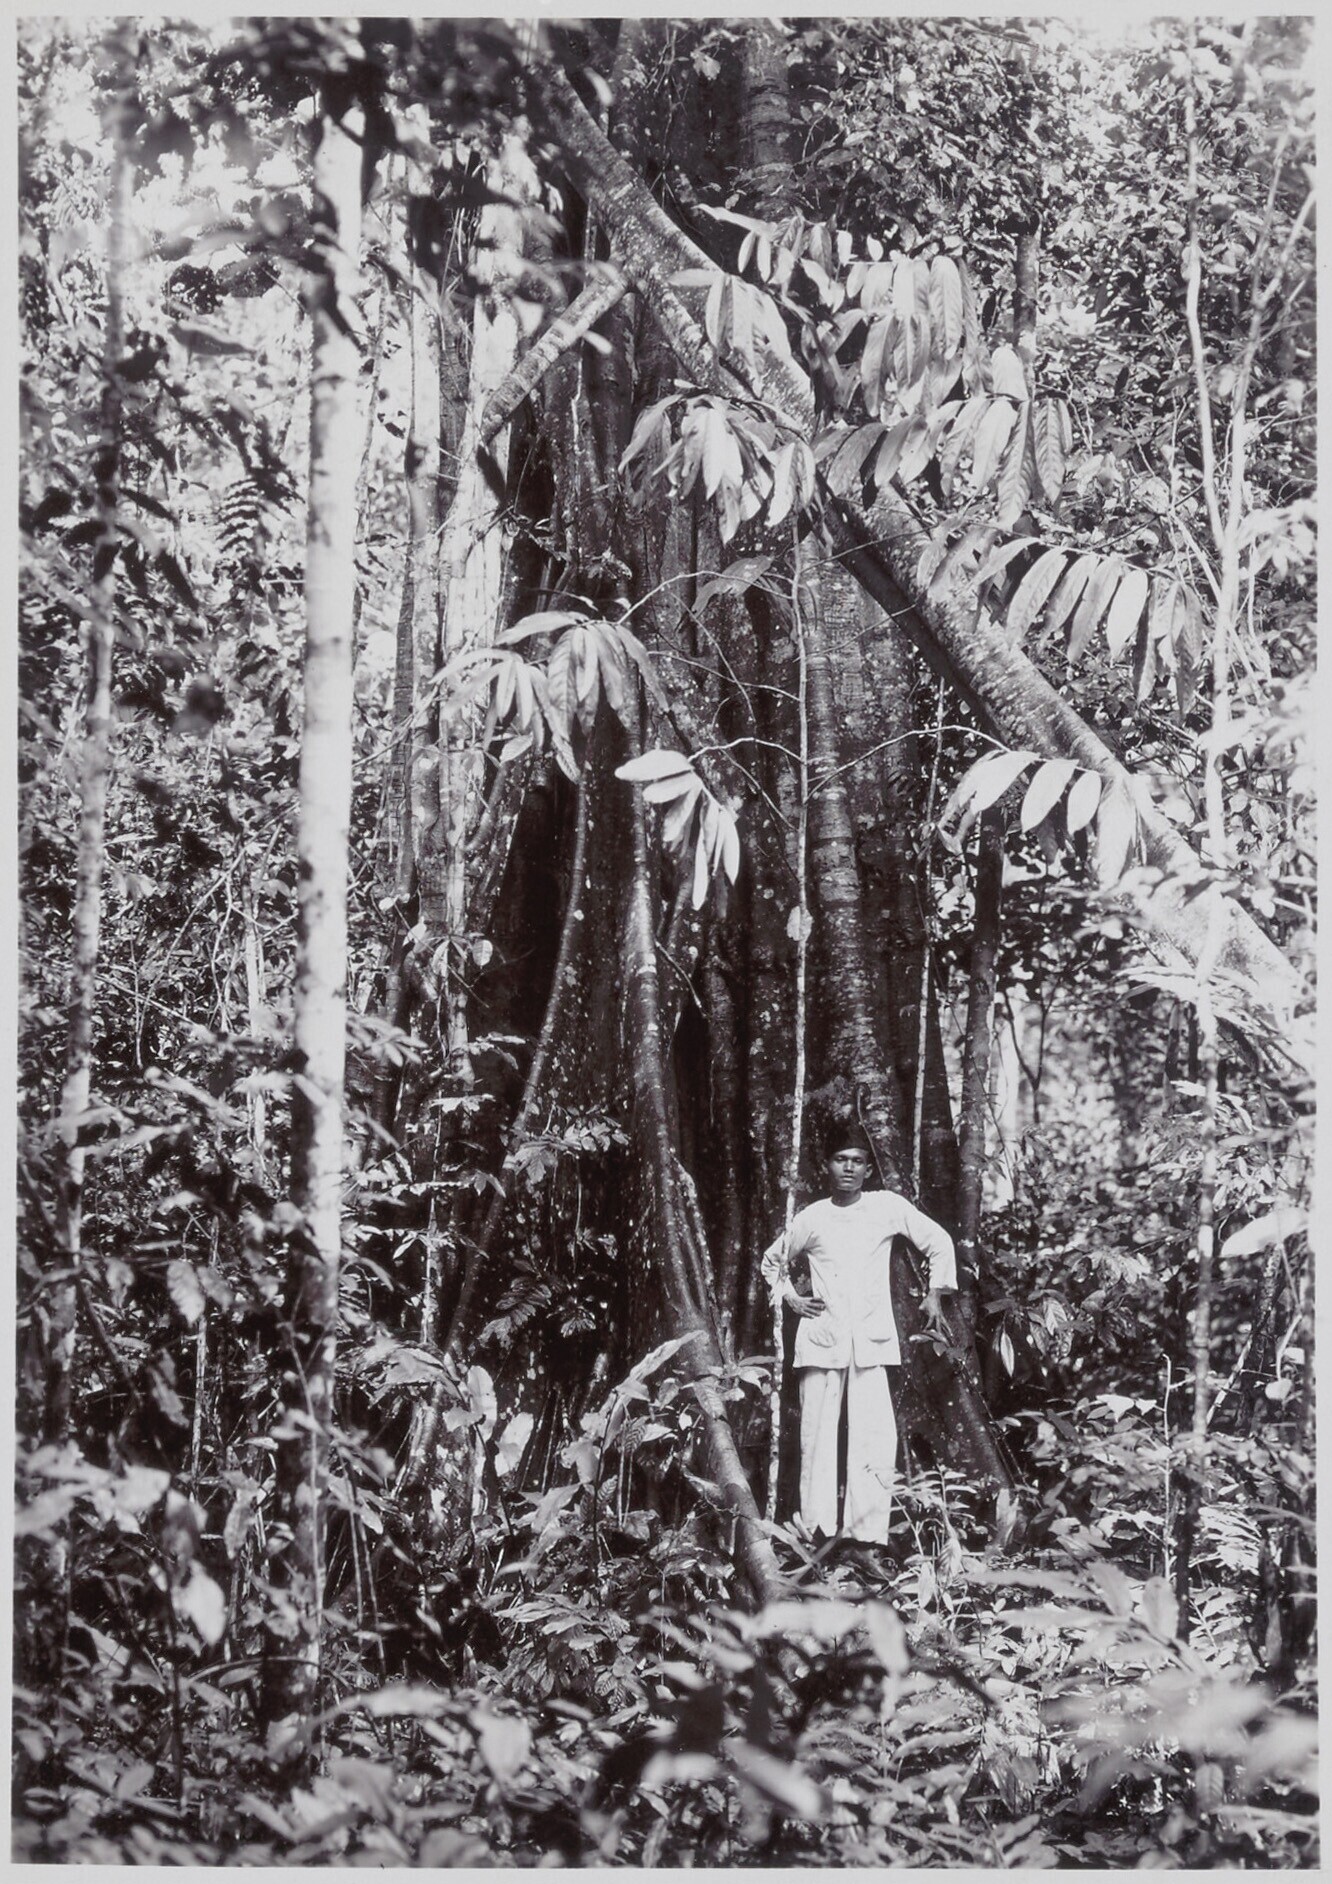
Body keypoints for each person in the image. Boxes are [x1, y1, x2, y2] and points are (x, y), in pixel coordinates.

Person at [761, 1131, 957, 1548]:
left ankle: (866, 1538)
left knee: (875, 1437)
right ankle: (815, 1533)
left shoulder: (886, 1206)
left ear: (868, 1169)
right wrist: (792, 1298)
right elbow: (771, 1261)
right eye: (840, 1159)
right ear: (826, 1167)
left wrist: (935, 1293)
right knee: (816, 1436)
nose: (848, 1168)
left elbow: (939, 1241)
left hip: (871, 1338)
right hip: (822, 1336)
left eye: (857, 1161)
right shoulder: (812, 1217)